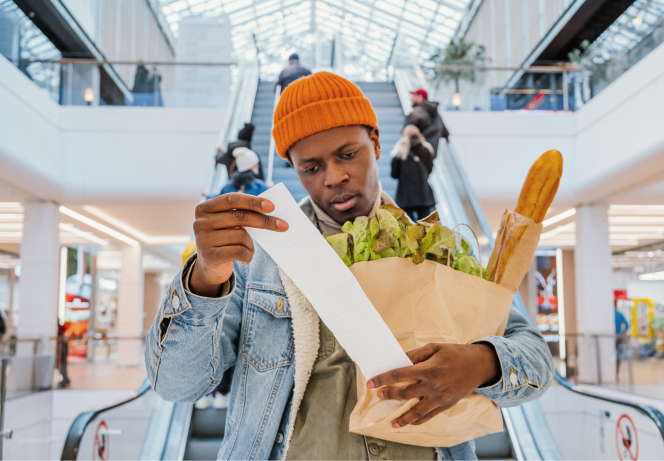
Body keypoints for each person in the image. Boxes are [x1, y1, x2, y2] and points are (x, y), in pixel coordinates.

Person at [145, 71, 554, 461]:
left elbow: (535, 356)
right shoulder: (257, 260)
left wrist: (482, 363)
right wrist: (206, 279)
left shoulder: (438, 249)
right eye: (312, 167)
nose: (334, 177)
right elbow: (177, 384)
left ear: (375, 143)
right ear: (293, 168)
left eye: (347, 154)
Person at [390, 124, 436, 222]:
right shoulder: (426, 149)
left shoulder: (400, 150)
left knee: (407, 226)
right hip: (423, 194)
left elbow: (394, 174)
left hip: (405, 195)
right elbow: (430, 170)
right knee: (426, 227)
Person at [405, 88, 450, 155]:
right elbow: (445, 133)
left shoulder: (417, 112)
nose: (411, 99)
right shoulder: (435, 114)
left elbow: (407, 131)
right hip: (430, 154)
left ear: (420, 97)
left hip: (417, 155)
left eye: (413, 96)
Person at [615, 306, 630, 381]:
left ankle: (612, 373)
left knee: (610, 356)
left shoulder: (608, 314)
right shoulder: (619, 314)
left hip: (610, 339)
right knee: (618, 356)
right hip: (618, 338)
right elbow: (627, 325)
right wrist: (622, 333)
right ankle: (616, 374)